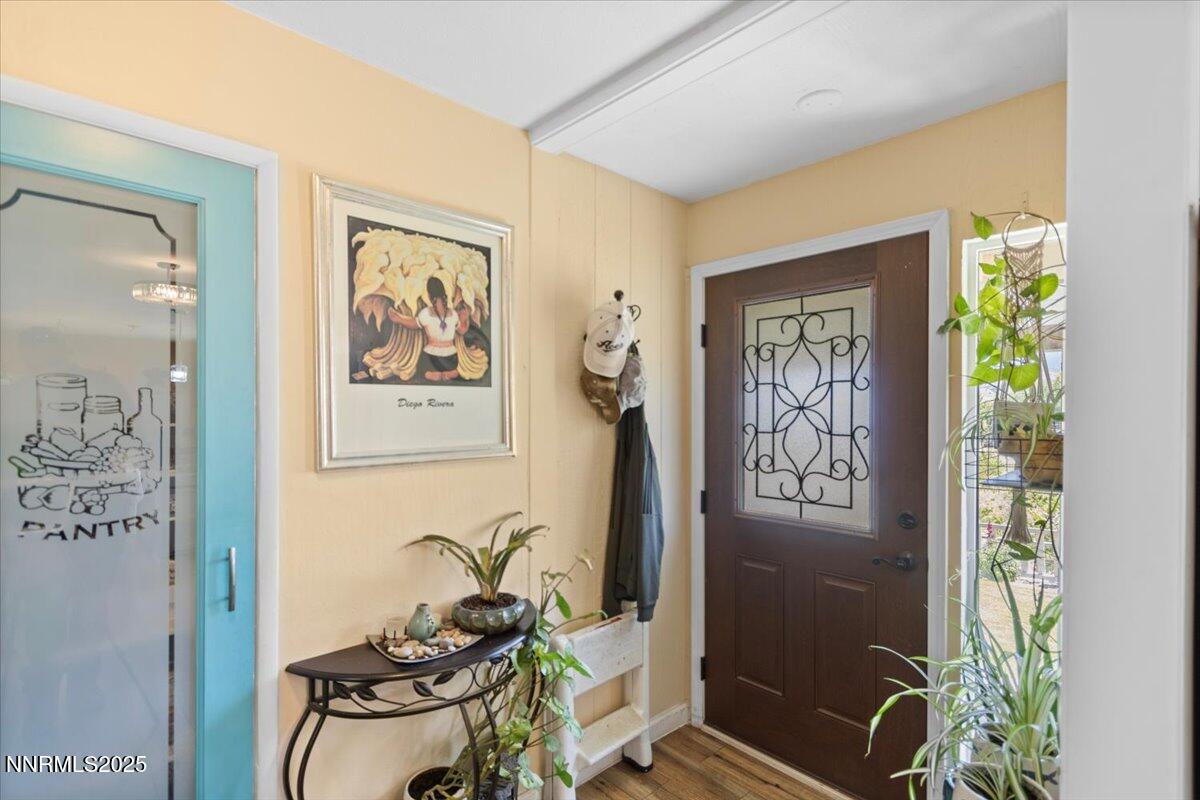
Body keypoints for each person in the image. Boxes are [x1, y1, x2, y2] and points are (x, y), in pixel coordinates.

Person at [388, 273, 471, 381]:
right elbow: (462, 331)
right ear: (444, 293)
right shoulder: (454, 314)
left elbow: (413, 324)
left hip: (432, 357)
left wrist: (398, 319)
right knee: (453, 369)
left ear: (429, 295)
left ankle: (435, 374)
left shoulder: (425, 313)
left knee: (424, 371)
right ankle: (449, 373)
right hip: (451, 359)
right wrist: (464, 319)